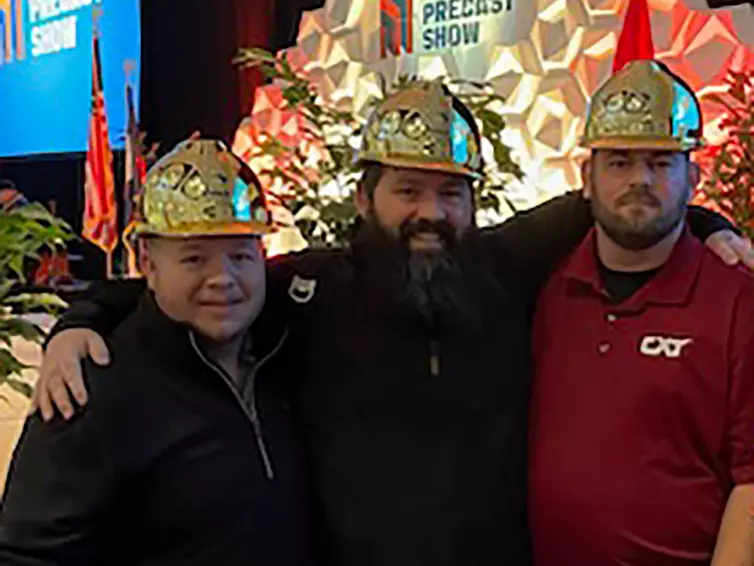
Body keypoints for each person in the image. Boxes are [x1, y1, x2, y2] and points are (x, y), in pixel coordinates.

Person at [28, 81, 752, 566]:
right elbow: (211, 282)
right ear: (367, 195)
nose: (429, 213)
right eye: (407, 190)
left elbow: (631, 205)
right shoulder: (310, 290)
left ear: (473, 203)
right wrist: (84, 315)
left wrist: (713, 224)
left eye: (449, 193)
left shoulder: (507, 265)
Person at [0, 139, 317, 565]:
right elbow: (29, 555)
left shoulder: (286, 349)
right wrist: (77, 323)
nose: (222, 278)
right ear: (148, 263)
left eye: (240, 256)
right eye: (194, 259)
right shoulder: (88, 388)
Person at [528, 60, 754, 566]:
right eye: (620, 162)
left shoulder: (739, 300)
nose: (640, 179)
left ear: (692, 178)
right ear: (586, 178)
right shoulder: (547, 287)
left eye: (660, 162)